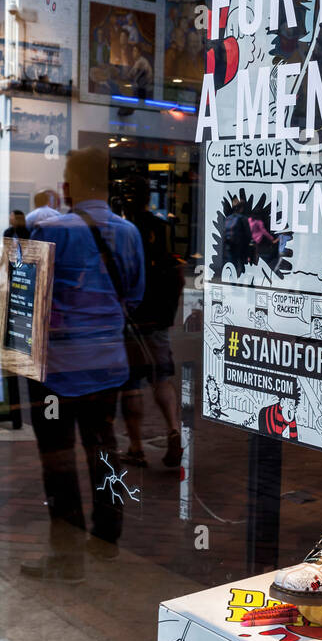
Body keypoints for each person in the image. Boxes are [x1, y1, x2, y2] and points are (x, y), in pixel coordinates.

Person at [22, 146, 144, 582]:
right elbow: (134, 295)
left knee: (57, 460)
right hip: (106, 365)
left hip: (57, 368)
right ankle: (108, 539)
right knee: (103, 450)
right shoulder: (128, 233)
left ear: (68, 186)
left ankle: (67, 558)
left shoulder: (52, 231)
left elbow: (31, 302)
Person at [119, 177, 185, 469]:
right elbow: (177, 271)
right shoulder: (162, 227)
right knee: (161, 376)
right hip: (158, 314)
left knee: (132, 382)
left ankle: (136, 447)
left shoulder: (122, 230)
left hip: (133, 316)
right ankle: (173, 429)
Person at [222, 197, 253, 275]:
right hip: (240, 246)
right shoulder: (243, 218)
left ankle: (233, 282)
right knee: (242, 264)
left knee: (232, 263)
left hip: (229, 245)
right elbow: (248, 234)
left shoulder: (228, 218)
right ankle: (241, 282)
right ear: (241, 208)